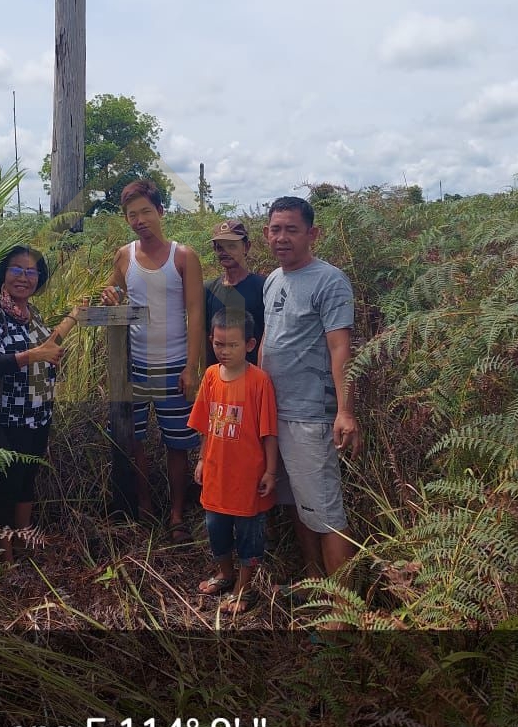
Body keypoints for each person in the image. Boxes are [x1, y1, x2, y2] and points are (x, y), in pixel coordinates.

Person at [259, 195, 360, 579]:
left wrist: (345, 411)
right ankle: (316, 583)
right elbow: (268, 339)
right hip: (275, 412)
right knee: (297, 505)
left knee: (326, 513)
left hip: (310, 415)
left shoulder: (329, 280)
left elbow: (340, 349)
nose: (282, 238)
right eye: (275, 230)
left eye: (292, 230)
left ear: (312, 234)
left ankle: (343, 607)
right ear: (266, 233)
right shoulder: (273, 280)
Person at [101, 179, 204, 539]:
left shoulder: (184, 256)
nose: (140, 220)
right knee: (135, 441)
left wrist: (191, 367)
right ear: (126, 219)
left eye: (146, 211)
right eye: (133, 214)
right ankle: (144, 506)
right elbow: (114, 294)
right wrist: (111, 296)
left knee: (178, 444)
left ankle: (176, 514)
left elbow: (195, 313)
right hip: (136, 367)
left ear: (160, 211)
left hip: (174, 365)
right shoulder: (124, 256)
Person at [0, 245, 82, 561]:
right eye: (17, 269)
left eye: (31, 271)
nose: (23, 277)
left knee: (27, 480)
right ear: (3, 274)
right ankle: (4, 557)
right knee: (6, 486)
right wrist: (36, 355)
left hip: (38, 413)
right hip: (8, 418)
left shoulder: (32, 315)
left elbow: (49, 346)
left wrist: (73, 317)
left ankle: (23, 544)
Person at [188, 309, 278, 614]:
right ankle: (225, 574)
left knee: (250, 534)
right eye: (218, 344)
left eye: (232, 345)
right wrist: (202, 460)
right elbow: (204, 425)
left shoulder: (259, 381)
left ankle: (244, 587)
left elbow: (269, 432)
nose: (224, 351)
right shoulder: (211, 376)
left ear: (250, 344)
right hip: (216, 475)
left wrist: (270, 471)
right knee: (216, 529)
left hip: (248, 480)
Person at [204, 218, 266, 367]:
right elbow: (205, 337)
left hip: (253, 374)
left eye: (231, 246)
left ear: (246, 247)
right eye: (220, 247)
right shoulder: (209, 289)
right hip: (218, 376)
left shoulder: (263, 287)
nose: (225, 252)